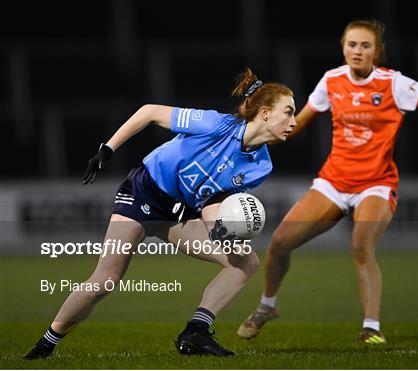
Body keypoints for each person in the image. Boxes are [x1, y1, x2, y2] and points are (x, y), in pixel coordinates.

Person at [237, 20, 418, 344]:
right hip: (333, 182)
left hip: (376, 183)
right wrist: (255, 136)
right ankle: (267, 306)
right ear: (343, 48)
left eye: (365, 45)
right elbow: (297, 124)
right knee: (280, 242)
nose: (357, 51)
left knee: (360, 244)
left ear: (377, 51)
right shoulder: (332, 81)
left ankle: (371, 327)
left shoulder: (393, 84)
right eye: (352, 45)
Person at [24, 68, 296, 359]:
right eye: (288, 112)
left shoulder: (261, 166)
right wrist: (108, 148)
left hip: (179, 213)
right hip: (143, 192)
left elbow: (212, 201)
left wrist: (220, 231)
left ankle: (196, 332)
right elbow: (149, 111)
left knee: (246, 261)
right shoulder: (217, 125)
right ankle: (45, 346)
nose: (293, 122)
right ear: (265, 113)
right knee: (106, 280)